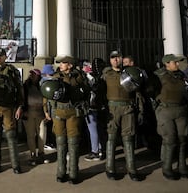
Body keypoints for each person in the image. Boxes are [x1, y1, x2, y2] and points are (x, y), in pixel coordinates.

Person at [42, 56, 90, 184]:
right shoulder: (56, 76)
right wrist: (46, 110)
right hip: (58, 112)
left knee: (73, 143)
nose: (61, 65)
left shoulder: (79, 77)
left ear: (70, 65)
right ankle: (61, 173)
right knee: (61, 143)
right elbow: (48, 93)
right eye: (61, 63)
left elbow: (87, 92)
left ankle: (74, 173)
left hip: (73, 112)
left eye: (63, 63)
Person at [99, 50, 143, 181]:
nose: (115, 60)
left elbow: (137, 93)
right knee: (111, 139)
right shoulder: (106, 74)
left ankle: (132, 169)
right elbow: (100, 92)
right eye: (113, 58)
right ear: (110, 60)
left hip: (127, 107)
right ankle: (110, 168)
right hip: (112, 108)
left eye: (117, 57)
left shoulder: (129, 73)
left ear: (121, 59)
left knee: (128, 139)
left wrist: (141, 110)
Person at [154, 54, 188, 180]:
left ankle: (182, 167)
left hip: (180, 109)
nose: (177, 64)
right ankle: (167, 168)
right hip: (166, 110)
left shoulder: (181, 75)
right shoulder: (159, 76)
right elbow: (152, 91)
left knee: (182, 139)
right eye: (174, 62)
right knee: (169, 139)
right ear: (167, 64)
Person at [22, 68, 50, 165]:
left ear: (38, 76)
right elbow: (22, 99)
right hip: (28, 112)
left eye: (34, 74)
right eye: (31, 74)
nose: (32, 76)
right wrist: (23, 110)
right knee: (30, 134)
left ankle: (41, 154)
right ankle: (32, 155)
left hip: (40, 112)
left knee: (42, 134)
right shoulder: (25, 86)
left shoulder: (42, 86)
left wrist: (46, 112)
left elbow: (45, 100)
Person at [83, 58, 107, 161]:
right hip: (100, 105)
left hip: (92, 106)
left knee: (93, 129)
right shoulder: (101, 76)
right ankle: (101, 149)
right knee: (99, 128)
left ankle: (95, 151)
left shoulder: (90, 77)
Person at [41, 64, 56, 150]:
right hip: (49, 107)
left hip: (48, 107)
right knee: (50, 125)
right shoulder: (45, 82)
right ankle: (49, 142)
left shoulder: (43, 81)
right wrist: (46, 111)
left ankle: (49, 142)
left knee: (49, 125)